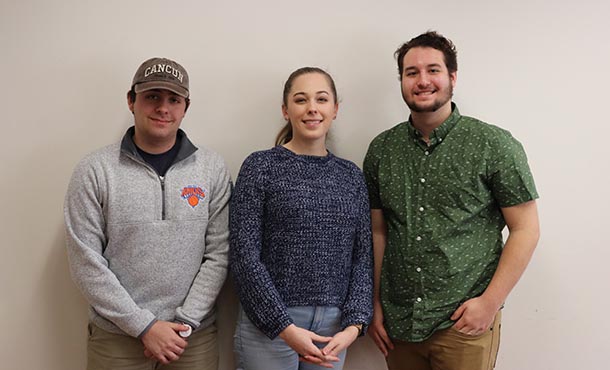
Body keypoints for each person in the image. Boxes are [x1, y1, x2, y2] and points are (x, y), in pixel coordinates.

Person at [363, 31, 540, 370]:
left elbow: (526, 229)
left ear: (452, 77)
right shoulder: (382, 149)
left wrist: (490, 302)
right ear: (401, 80)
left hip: (463, 324)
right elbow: (378, 232)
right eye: (411, 72)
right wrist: (375, 303)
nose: (422, 80)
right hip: (401, 324)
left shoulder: (492, 144)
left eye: (433, 70)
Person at [64, 57, 231, 370]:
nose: (163, 108)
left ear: (186, 106)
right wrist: (144, 326)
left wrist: (185, 323)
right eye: (152, 96)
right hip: (117, 337)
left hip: (191, 338)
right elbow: (85, 261)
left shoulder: (212, 169)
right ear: (131, 100)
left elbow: (219, 254)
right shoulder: (95, 171)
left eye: (173, 99)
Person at [229, 67, 373, 370]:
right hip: (268, 327)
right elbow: (244, 256)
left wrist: (354, 325)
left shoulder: (351, 177)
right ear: (285, 110)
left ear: (335, 109)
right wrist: (283, 326)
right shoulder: (260, 167)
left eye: (322, 99)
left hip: (334, 329)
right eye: (300, 100)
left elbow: (363, 258)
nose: (312, 108)